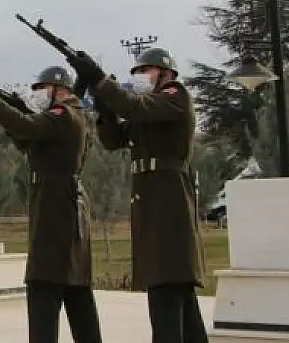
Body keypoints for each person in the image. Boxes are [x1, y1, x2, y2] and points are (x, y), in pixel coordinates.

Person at [69, 47, 208, 343]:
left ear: (166, 74)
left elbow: (132, 106)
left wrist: (98, 77)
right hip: (151, 200)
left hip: (169, 199)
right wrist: (104, 108)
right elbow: (114, 139)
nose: (140, 76)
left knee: (165, 290)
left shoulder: (175, 96)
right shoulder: (149, 108)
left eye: (146, 70)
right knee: (175, 292)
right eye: (137, 72)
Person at [0, 66, 103, 343]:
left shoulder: (64, 115)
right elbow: (28, 141)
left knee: (44, 286)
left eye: (43, 88)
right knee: (74, 290)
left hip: (58, 209)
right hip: (58, 206)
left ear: (61, 90)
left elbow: (26, 127)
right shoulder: (66, 117)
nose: (39, 94)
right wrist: (2, 108)